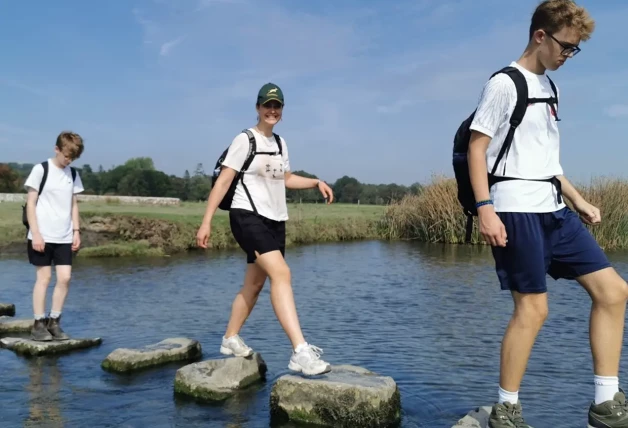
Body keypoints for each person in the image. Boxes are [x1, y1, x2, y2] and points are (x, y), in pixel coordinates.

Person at [467, 1, 628, 427]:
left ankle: (606, 403)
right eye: (566, 47)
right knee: (533, 310)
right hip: (516, 210)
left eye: (575, 50)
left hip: (555, 210)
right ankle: (507, 409)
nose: (568, 56)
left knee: (614, 292)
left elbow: (547, 161)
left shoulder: (551, 87)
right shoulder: (505, 83)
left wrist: (577, 198)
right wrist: (485, 209)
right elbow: (476, 147)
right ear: (541, 35)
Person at [196, 82, 335, 376]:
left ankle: (229, 338)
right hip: (246, 215)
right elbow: (223, 181)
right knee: (282, 273)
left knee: (255, 285)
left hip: (274, 219)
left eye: (277, 106)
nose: (272, 110)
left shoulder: (280, 144)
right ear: (258, 108)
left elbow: (284, 178)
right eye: (267, 105)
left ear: (282, 111)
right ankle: (300, 351)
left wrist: (315, 182)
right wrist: (206, 220)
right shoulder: (244, 140)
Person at [24, 131, 85, 342]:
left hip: (65, 235)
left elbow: (73, 204)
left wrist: (76, 231)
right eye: (66, 155)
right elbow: (31, 203)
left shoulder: (73, 174)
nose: (68, 160)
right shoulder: (41, 169)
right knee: (44, 278)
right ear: (56, 149)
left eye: (73, 157)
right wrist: (37, 234)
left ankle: (54, 322)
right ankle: (38, 323)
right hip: (42, 234)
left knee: (65, 278)